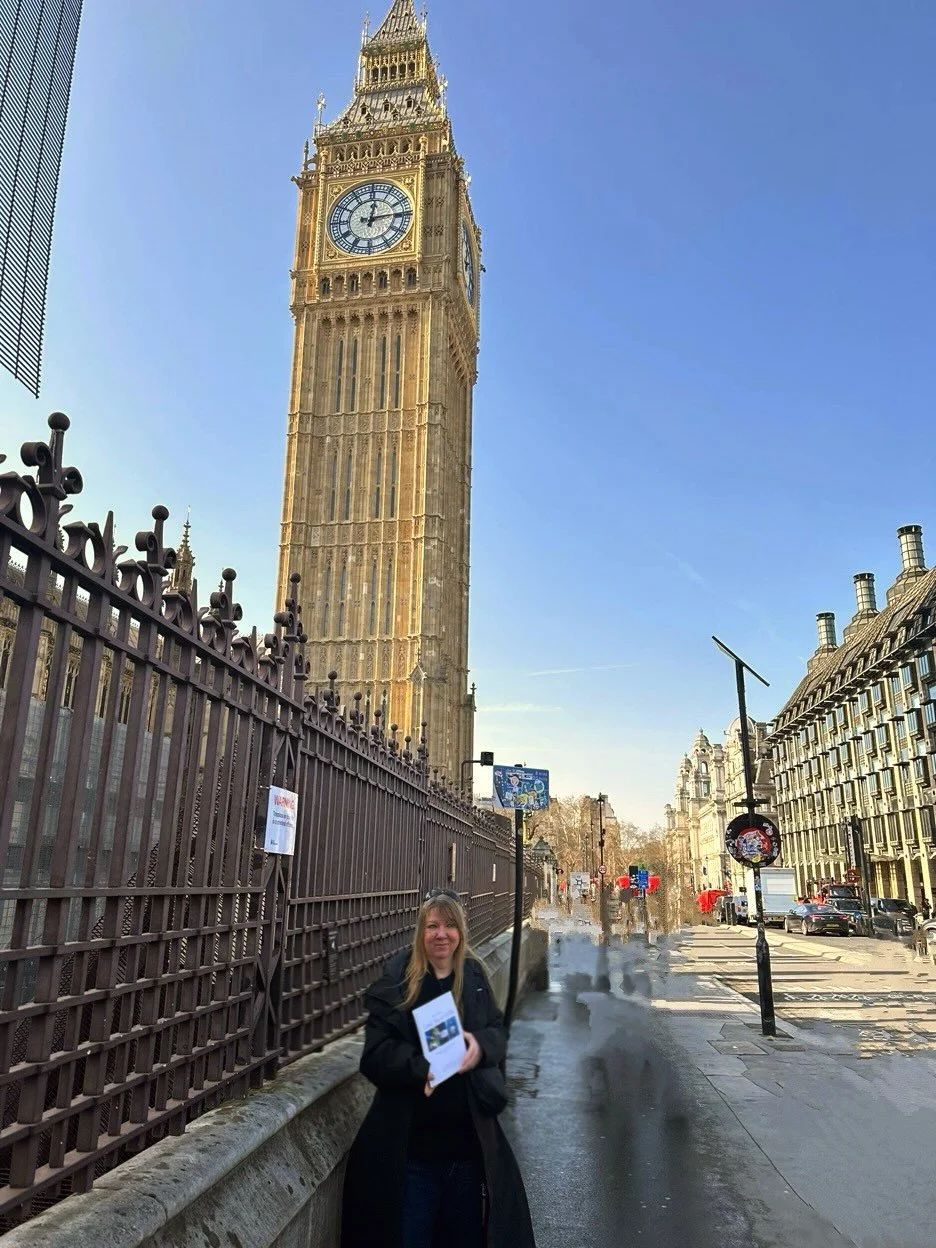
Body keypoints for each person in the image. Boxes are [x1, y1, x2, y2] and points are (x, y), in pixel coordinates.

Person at [341, 889, 536, 1248]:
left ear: (460, 932)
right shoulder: (399, 981)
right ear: (421, 932)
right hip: (413, 1156)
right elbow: (374, 1055)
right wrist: (419, 1068)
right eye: (432, 926)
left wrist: (478, 1048)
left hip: (466, 1154)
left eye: (449, 926)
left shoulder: (473, 976)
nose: (441, 934)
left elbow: (496, 1032)